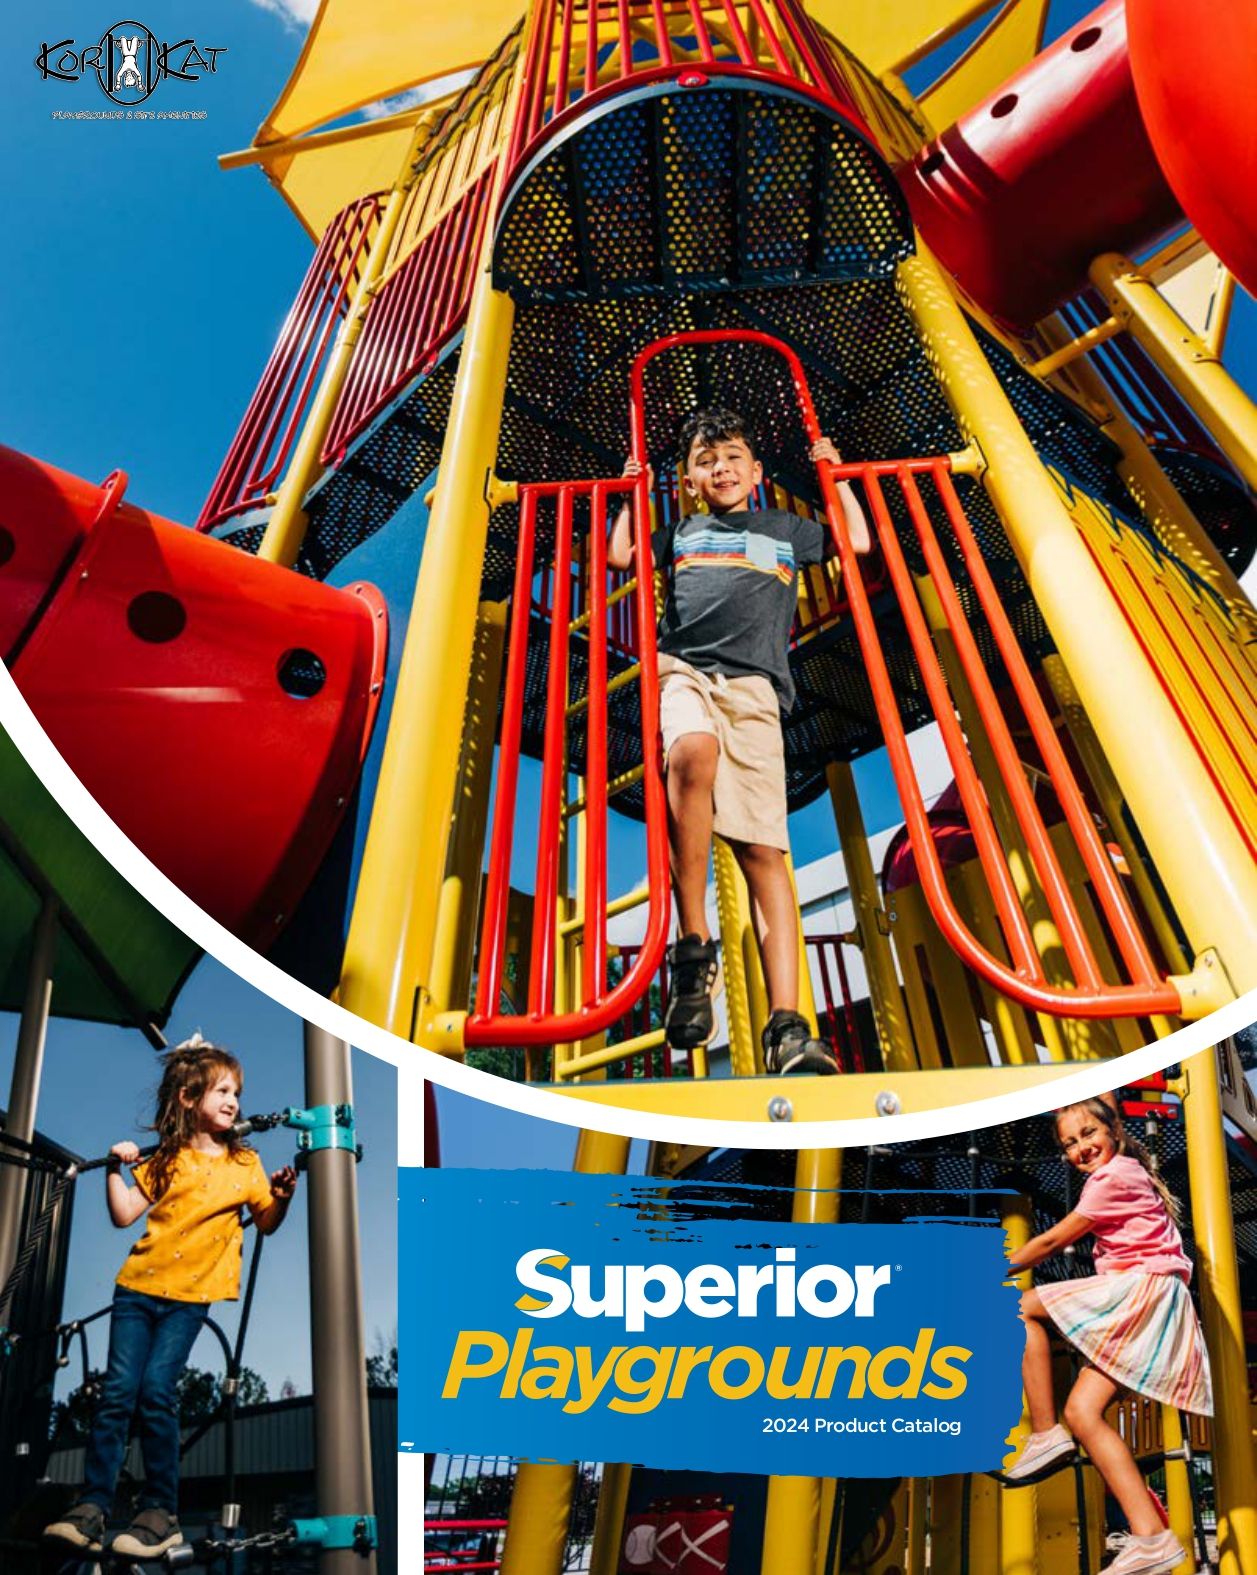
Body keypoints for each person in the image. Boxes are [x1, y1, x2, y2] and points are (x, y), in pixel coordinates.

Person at [608, 407, 870, 1074]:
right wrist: (628, 493)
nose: (719, 467)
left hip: (755, 687)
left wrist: (832, 473)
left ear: (754, 473)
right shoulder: (683, 530)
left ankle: (787, 1026)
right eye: (705, 460)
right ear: (691, 479)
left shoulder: (782, 529)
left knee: (762, 852)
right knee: (690, 753)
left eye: (731, 457)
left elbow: (855, 541)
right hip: (684, 667)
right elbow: (619, 556)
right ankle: (693, 943)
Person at [44, 1038, 298, 1560]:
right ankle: (93, 1506)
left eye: (236, 1092)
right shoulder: (169, 1157)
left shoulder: (245, 1164)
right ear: (187, 1098)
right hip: (137, 1288)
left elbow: (267, 1222)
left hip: (189, 1298)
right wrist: (115, 1169)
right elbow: (124, 1214)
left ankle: (161, 1510)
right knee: (117, 1394)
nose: (233, 1100)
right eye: (221, 1090)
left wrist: (284, 1196)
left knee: (157, 1390)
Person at [1003, 1097, 1212, 1575]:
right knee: (1082, 1411)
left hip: (1140, 1291)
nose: (1082, 1148)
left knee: (1015, 1309)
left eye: (1089, 1134)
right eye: (1070, 1143)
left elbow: (1055, 1240)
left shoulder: (1114, 1176)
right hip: (1152, 1302)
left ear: (1114, 1131)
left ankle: (1044, 1434)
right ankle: (1152, 1537)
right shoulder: (1126, 1172)